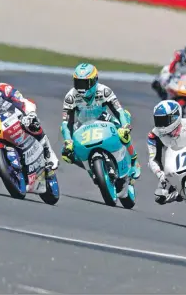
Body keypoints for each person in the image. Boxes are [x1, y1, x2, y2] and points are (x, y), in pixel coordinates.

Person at [60, 63, 140, 197]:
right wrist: (68, 141)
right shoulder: (71, 97)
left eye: (85, 83)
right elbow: (66, 123)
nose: (81, 88)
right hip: (82, 125)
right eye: (78, 83)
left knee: (123, 129)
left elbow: (119, 111)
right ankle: (91, 170)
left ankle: (134, 160)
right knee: (66, 154)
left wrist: (125, 126)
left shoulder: (104, 91)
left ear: (94, 81)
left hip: (104, 119)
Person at [0, 65, 59, 170]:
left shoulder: (4, 89)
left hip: (12, 119)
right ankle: (1, 165)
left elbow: (23, 102)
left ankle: (48, 151)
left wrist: (30, 114)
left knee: (32, 123)